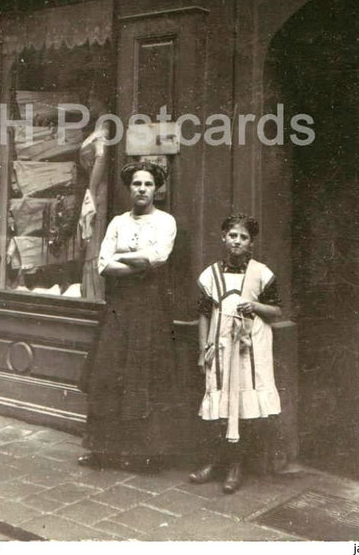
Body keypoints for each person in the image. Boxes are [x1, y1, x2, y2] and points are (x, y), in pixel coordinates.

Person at [78, 161, 177, 472]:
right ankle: (103, 450)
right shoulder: (118, 222)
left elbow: (159, 257)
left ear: (157, 189)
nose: (142, 189)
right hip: (119, 307)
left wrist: (125, 258)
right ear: (129, 188)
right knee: (109, 374)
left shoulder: (165, 222)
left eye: (148, 184)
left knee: (143, 375)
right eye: (137, 184)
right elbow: (103, 265)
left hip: (150, 307)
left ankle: (144, 454)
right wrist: (139, 261)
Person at [189, 213, 282, 494]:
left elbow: (277, 311)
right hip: (219, 348)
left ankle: (236, 467)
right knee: (220, 406)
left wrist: (254, 307)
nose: (237, 241)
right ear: (223, 238)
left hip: (250, 350)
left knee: (243, 407)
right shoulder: (210, 275)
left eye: (243, 237)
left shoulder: (262, 274)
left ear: (251, 242)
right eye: (232, 235)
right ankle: (215, 462)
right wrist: (202, 349)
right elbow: (203, 315)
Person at [78, 89, 111, 301]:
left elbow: (102, 157)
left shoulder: (106, 125)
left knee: (96, 240)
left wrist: (91, 188)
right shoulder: (100, 124)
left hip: (99, 190)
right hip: (95, 188)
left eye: (92, 96)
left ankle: (95, 295)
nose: (88, 101)